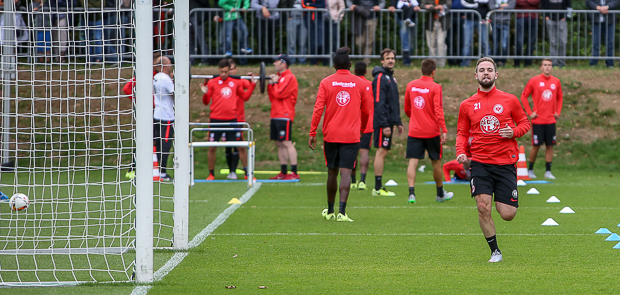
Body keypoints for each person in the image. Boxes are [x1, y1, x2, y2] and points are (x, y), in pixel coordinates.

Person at [456, 57, 531, 263]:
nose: (486, 73)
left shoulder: (509, 100)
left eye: (490, 70)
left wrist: (513, 132)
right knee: (482, 207)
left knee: (507, 213)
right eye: (482, 70)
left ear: (496, 75)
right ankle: (495, 251)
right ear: (476, 75)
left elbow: (525, 123)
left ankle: (504, 200)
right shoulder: (467, 104)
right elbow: (462, 133)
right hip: (479, 163)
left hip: (506, 162)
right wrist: (461, 152)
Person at [309, 47, 372, 222]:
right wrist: (363, 127)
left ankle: (329, 211)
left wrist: (313, 131)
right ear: (350, 65)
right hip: (351, 135)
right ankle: (342, 213)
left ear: (334, 65)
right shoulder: (359, 83)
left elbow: (318, 108)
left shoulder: (326, 82)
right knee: (346, 172)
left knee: (332, 172)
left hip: (331, 134)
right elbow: (366, 110)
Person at [403, 59, 453, 204]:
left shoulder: (411, 85)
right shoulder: (435, 87)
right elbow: (438, 109)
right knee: (436, 162)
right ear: (434, 72)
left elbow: (407, 108)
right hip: (431, 131)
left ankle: (411, 194)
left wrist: (414, 118)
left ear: (421, 71)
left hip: (414, 130)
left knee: (413, 162)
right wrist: (444, 129)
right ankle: (440, 194)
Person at [202, 59, 248, 180]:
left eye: (226, 72)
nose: (223, 74)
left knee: (241, 146)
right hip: (216, 120)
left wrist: (252, 84)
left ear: (229, 71)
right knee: (212, 147)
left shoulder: (235, 82)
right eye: (221, 72)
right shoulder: (212, 83)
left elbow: (245, 96)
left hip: (231, 120)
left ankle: (247, 173)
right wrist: (205, 93)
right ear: (219, 70)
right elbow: (206, 102)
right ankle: (211, 174)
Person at [520, 58, 563, 180]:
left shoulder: (556, 81)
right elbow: (524, 96)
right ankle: (530, 169)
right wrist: (530, 112)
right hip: (538, 120)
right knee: (536, 145)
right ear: (541, 67)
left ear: (552, 67)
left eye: (549, 65)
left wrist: (557, 112)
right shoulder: (534, 81)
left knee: (550, 145)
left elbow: (560, 98)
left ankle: (548, 171)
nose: (547, 67)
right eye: (545, 65)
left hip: (550, 120)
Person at [371, 49, 403, 196]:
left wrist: (398, 122)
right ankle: (377, 188)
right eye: (387, 58)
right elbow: (379, 102)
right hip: (382, 122)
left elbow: (393, 103)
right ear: (382, 61)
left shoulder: (391, 78)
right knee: (381, 151)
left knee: (383, 152)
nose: (391, 60)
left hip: (389, 121)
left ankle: (378, 186)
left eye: (392, 58)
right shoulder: (380, 78)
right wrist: (384, 124)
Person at [268, 54, 300, 180]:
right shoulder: (280, 78)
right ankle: (283, 172)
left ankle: (294, 172)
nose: (274, 64)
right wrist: (271, 84)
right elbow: (273, 97)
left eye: (276, 61)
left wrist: (275, 83)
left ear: (283, 63)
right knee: (279, 142)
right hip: (275, 113)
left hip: (285, 114)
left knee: (286, 142)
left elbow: (280, 93)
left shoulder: (289, 78)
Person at [224, 59, 257, 180]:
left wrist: (250, 79)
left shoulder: (240, 82)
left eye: (232, 69)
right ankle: (231, 171)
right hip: (225, 118)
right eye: (228, 69)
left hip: (238, 118)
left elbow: (249, 87)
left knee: (240, 146)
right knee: (227, 145)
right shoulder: (222, 82)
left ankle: (246, 171)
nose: (230, 71)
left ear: (236, 69)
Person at [350, 61, 374, 190]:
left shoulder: (351, 84)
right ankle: (362, 181)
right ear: (366, 71)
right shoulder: (370, 85)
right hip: (367, 123)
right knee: (364, 151)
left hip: (352, 123)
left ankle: (352, 181)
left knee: (352, 152)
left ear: (354, 71)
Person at [153, 56, 175, 181]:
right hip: (166, 116)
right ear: (164, 65)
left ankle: (158, 169)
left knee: (159, 143)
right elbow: (175, 94)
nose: (171, 65)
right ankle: (162, 171)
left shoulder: (156, 77)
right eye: (169, 63)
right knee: (165, 144)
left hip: (157, 114)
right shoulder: (165, 79)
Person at [346, 0, 384, 64]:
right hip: (359, 18)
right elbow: (349, 1)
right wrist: (351, 6)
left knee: (369, 42)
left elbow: (382, 1)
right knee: (359, 42)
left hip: (372, 18)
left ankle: (366, 62)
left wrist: (379, 7)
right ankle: (362, 57)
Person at [586, 0, 617, 67]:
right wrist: (598, 8)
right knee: (596, 43)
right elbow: (588, 2)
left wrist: (607, 7)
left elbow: (616, 2)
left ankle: (610, 63)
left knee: (610, 43)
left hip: (610, 20)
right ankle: (594, 63)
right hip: (596, 20)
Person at [460, 0, 491, 66]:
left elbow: (486, 1)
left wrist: (475, 2)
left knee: (485, 42)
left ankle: (488, 63)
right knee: (467, 43)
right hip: (469, 19)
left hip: (482, 19)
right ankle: (465, 64)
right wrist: (476, 4)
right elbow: (463, 2)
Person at [421, 0, 451, 67]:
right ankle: (432, 65)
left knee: (440, 43)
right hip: (430, 23)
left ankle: (441, 64)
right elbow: (422, 5)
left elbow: (449, 4)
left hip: (443, 23)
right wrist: (435, 7)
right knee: (431, 45)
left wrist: (431, 7)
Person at [541, 0, 570, 68]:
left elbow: (569, 6)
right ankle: (554, 63)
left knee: (563, 42)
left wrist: (565, 18)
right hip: (550, 20)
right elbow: (542, 5)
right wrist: (546, 18)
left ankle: (562, 63)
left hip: (562, 20)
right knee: (553, 42)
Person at [514, 0, 540, 67]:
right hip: (520, 16)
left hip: (534, 17)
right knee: (519, 41)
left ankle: (528, 63)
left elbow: (536, 2)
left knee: (531, 41)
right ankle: (517, 62)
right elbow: (518, 2)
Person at [489, 0, 515, 67]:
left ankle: (503, 62)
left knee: (504, 44)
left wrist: (497, 8)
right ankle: (496, 62)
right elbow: (491, 6)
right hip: (494, 22)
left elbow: (511, 6)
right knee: (495, 43)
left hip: (506, 22)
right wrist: (502, 6)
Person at [283, 0, 307, 64]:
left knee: (302, 42)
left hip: (303, 18)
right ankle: (291, 61)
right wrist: (288, 15)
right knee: (291, 42)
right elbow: (284, 3)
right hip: (292, 18)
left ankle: (302, 61)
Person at [189, 0, 211, 65]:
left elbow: (205, 3)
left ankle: (204, 60)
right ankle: (191, 60)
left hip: (198, 17)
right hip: (189, 16)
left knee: (201, 40)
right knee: (189, 41)